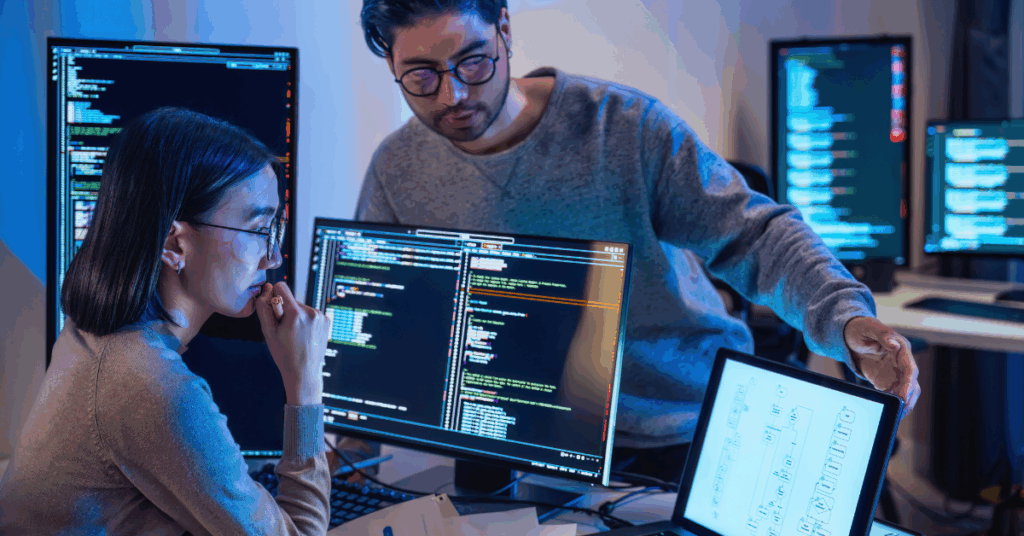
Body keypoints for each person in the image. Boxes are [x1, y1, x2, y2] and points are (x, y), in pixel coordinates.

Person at [356, 0, 922, 484]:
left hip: (678, 429)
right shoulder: (397, 169)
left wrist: (845, 320)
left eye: (473, 61)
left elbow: (757, 235)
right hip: (522, 445)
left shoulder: (622, 128)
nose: (452, 93)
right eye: (423, 75)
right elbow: (378, 326)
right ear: (391, 62)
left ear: (505, 30)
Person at [0, 107, 331, 535]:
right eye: (258, 229)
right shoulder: (152, 386)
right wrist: (304, 384)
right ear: (175, 243)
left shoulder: (94, 334)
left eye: (276, 228)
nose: (274, 256)